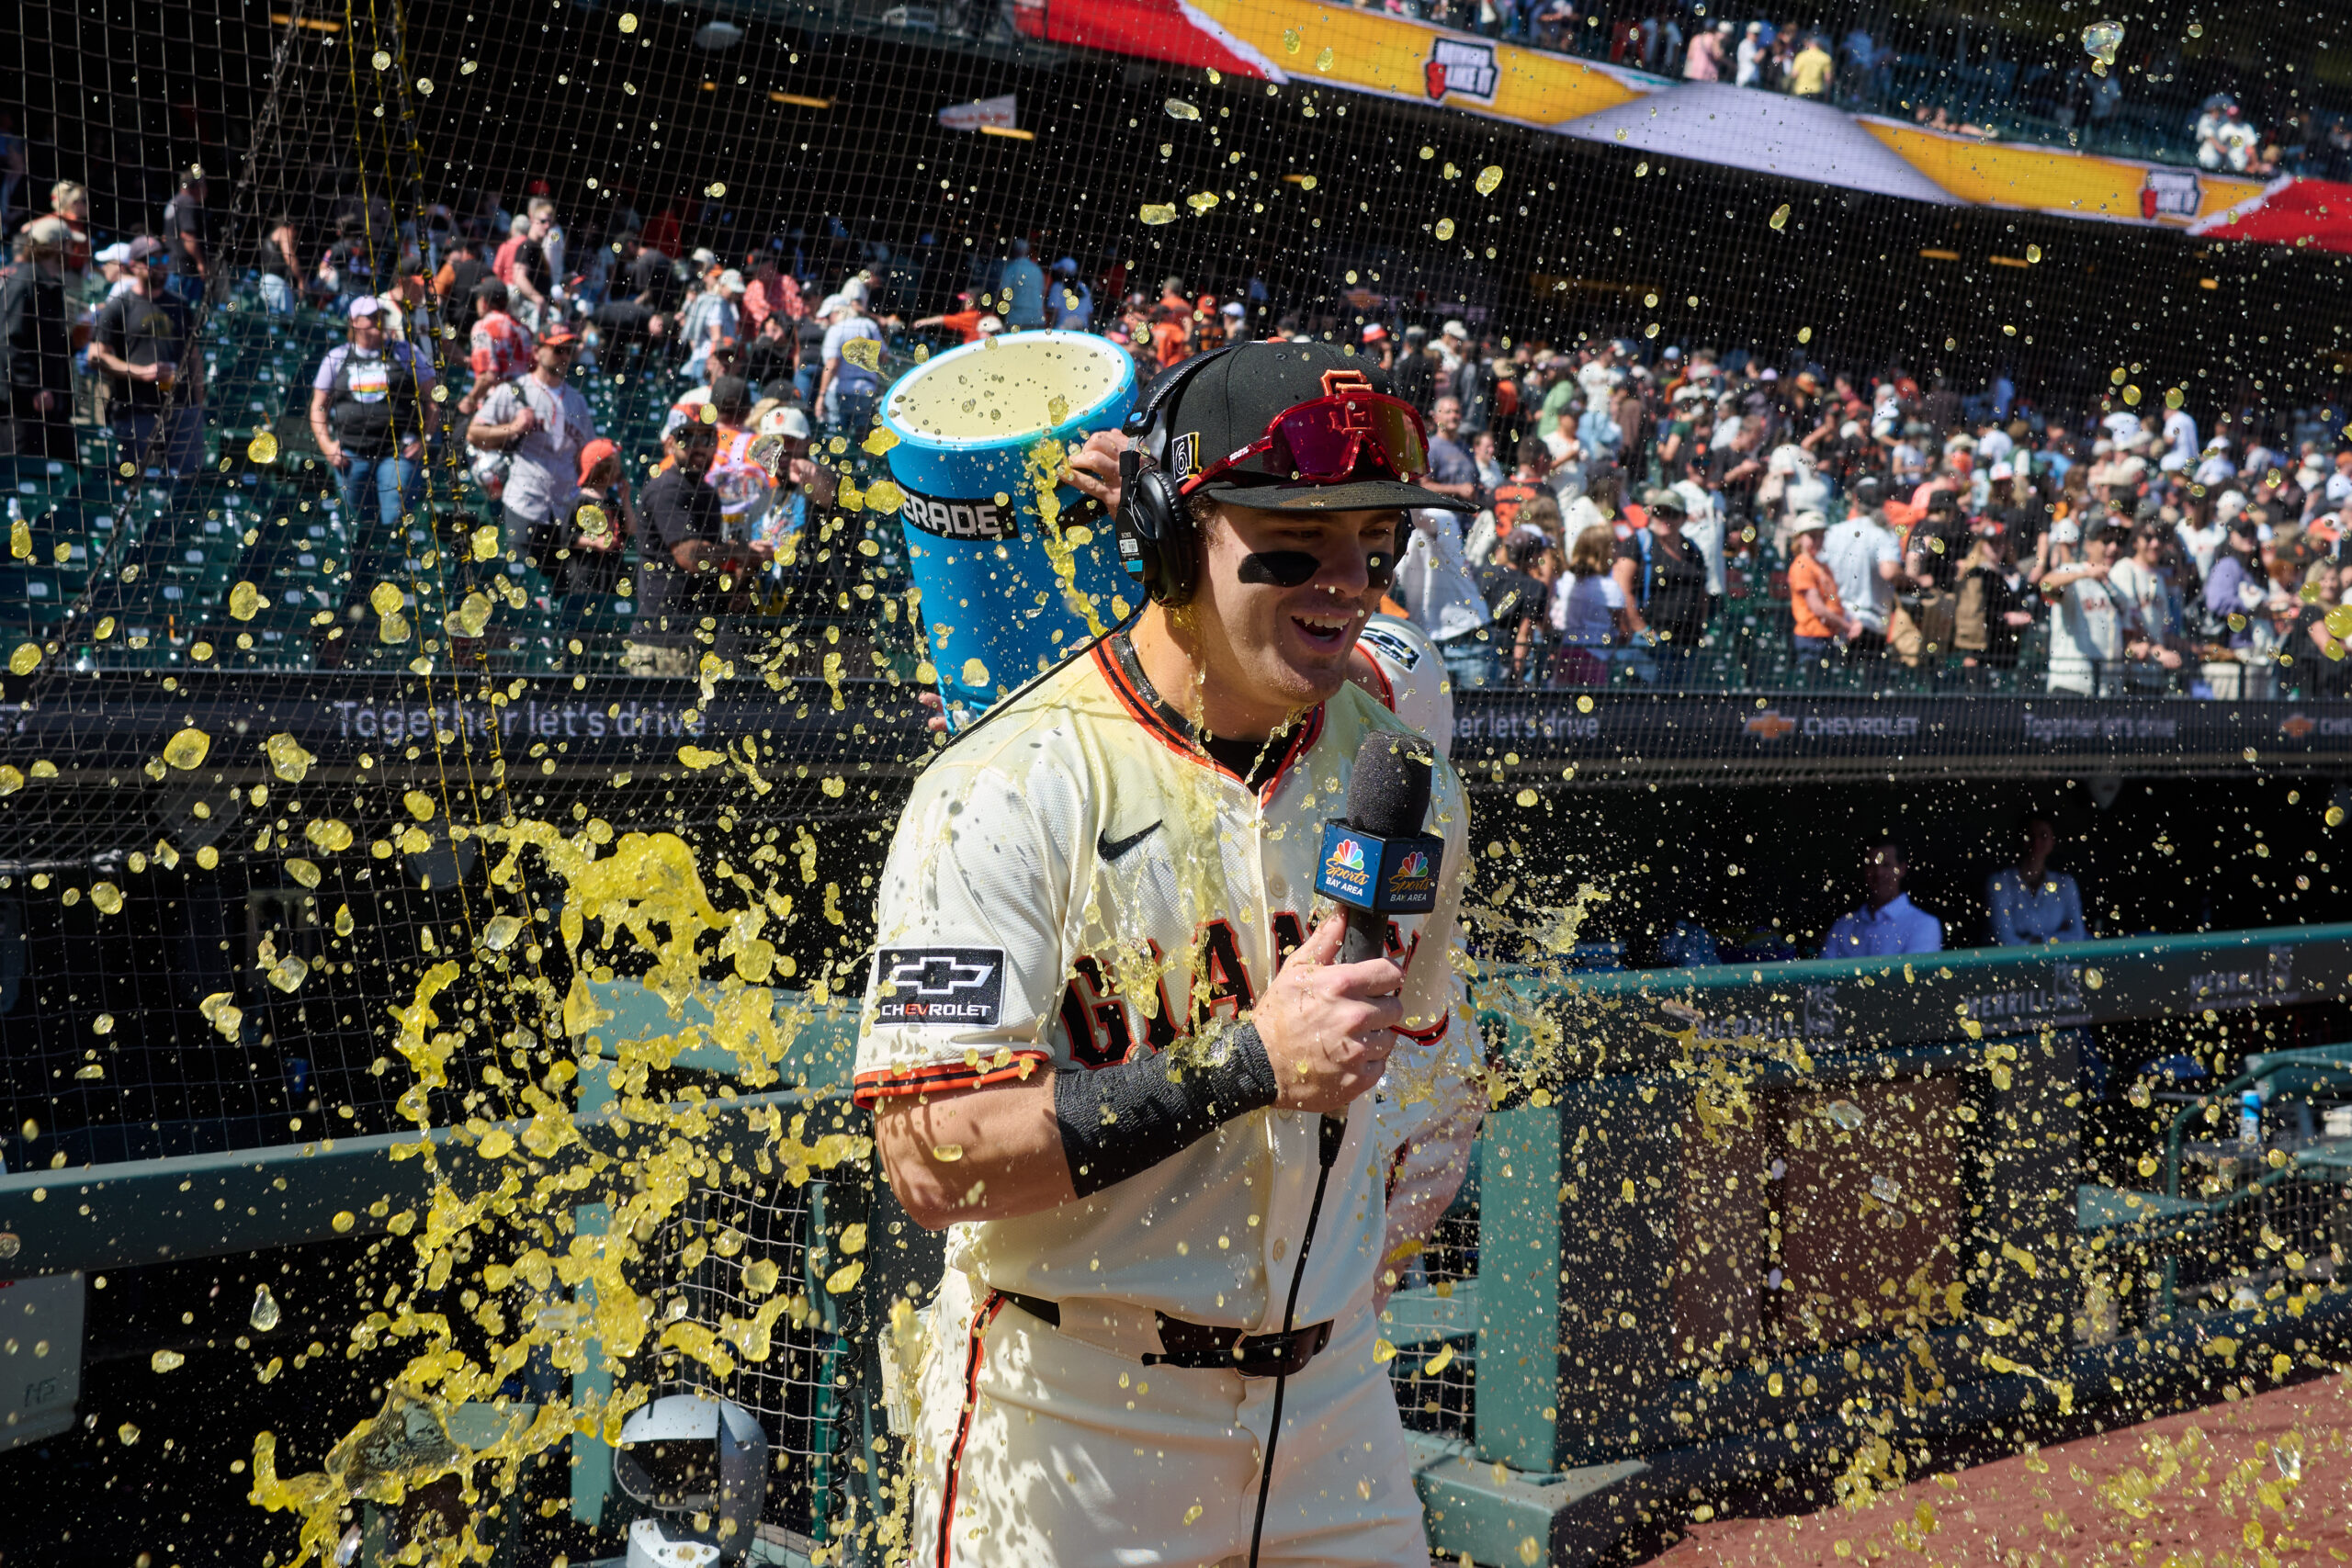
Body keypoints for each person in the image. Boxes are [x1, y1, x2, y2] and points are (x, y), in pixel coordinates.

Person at [859, 338, 1476, 1568]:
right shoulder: (1006, 785)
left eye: (1376, 547)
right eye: (1294, 545)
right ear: (1170, 534)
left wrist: (1351, 1272)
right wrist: (1248, 1060)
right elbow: (928, 1155)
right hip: (1073, 1413)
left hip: (1335, 1410)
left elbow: (1436, 1083)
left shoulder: (1407, 783)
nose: (1345, 584)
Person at [309, 296, 438, 534]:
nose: (379, 322)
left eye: (381, 316)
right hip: (351, 453)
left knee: (396, 521)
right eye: (371, 317)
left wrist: (426, 439)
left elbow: (434, 399)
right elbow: (318, 406)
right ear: (354, 322)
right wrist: (327, 446)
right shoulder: (336, 357)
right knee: (359, 524)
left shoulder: (406, 352)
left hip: (398, 451)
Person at [627, 419, 746, 675]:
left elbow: (711, 564)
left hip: (698, 636)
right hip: (661, 644)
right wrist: (739, 553)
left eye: (707, 440)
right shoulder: (666, 488)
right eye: (688, 439)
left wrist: (734, 583)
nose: (699, 447)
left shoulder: (707, 493)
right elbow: (690, 556)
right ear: (670, 444)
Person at [467, 324, 595, 557]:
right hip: (523, 503)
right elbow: (474, 433)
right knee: (522, 578)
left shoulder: (578, 402)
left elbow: (587, 454)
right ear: (536, 352)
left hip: (564, 509)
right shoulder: (513, 391)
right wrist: (513, 427)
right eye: (558, 350)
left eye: (568, 351)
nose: (565, 356)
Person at [89, 238, 203, 479]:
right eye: (152, 260)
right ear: (134, 265)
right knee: (138, 484)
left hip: (181, 410)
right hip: (136, 409)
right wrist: (141, 372)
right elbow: (96, 356)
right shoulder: (119, 306)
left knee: (187, 483)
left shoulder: (180, 305)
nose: (160, 265)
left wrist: (198, 403)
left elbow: (194, 356)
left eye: (163, 259)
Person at [1614, 491, 1711, 684]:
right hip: (1650, 643)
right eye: (1660, 511)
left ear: (1684, 518)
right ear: (1651, 513)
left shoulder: (1692, 549)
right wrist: (1642, 629)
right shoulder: (1638, 543)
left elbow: (1702, 593)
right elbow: (1621, 590)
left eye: (1673, 513)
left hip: (1687, 643)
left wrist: (1701, 627)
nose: (1666, 518)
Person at [0, 218, 76, 460]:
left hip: (49, 405)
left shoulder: (48, 284)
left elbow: (47, 345)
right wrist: (34, 388)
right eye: (70, 245)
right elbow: (9, 340)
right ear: (56, 246)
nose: (74, 251)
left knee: (63, 474)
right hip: (22, 407)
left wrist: (75, 342)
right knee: (25, 479)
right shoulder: (26, 281)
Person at [2041, 518, 2129, 695]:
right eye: (2106, 541)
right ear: (2089, 545)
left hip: (2107, 687)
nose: (2113, 547)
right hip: (2071, 683)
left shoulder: (2119, 587)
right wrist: (2086, 573)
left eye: (2118, 542)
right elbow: (2046, 584)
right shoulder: (2073, 571)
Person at [1823, 839, 1942, 956]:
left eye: (1886, 865)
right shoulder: (1842, 926)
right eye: (1870, 865)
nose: (1878, 873)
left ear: (1902, 869)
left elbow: (1916, 974)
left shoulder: (1923, 924)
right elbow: (1824, 974)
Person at [1822, 485, 1902, 659]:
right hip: (1870, 624)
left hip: (1838, 619)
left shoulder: (1834, 532)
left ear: (1856, 500)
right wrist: (1912, 581)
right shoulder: (1884, 534)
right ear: (1882, 504)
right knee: (1868, 683)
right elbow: (1890, 572)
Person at [1986, 812, 2089, 946]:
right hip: (2010, 963)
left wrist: (2035, 940)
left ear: (2053, 842)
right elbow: (2004, 940)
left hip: (2056, 961)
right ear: (2020, 840)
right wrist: (2054, 938)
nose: (2036, 842)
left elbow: (2077, 935)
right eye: (2030, 836)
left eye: (2043, 836)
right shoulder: (1999, 883)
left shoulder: (2065, 884)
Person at [1551, 521, 1623, 685]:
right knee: (1593, 707)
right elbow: (1624, 631)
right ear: (1605, 551)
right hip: (1595, 657)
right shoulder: (1610, 588)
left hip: (1566, 652)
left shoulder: (1567, 580)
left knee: (1560, 705)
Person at [1786, 512, 1852, 675]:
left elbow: (1833, 601)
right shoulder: (1802, 565)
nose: (1817, 541)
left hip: (1827, 635)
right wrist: (1846, 625)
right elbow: (1817, 607)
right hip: (1811, 637)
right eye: (1812, 536)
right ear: (1799, 538)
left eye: (1820, 536)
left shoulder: (1822, 566)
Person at [461, 278, 533, 417]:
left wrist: (470, 399)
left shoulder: (483, 326)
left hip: (497, 405)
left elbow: (488, 374)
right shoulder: (524, 329)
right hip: (525, 403)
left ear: (483, 302)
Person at [818, 293, 884, 434]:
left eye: (828, 316)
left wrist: (821, 396)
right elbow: (884, 356)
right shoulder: (869, 325)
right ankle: (864, 456)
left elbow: (832, 364)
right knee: (863, 434)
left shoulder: (836, 330)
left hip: (842, 390)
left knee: (837, 434)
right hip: (867, 389)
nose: (827, 320)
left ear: (836, 312)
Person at [160, 167, 209, 308]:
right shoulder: (188, 202)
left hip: (172, 267)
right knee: (183, 316)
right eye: (204, 184)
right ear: (196, 185)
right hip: (184, 272)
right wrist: (201, 263)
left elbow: (164, 237)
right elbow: (187, 236)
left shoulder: (173, 201)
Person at [998, 237, 1046, 331]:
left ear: (1015, 251)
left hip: (1017, 319)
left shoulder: (1011, 268)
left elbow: (1004, 294)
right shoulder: (1037, 270)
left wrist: (1001, 314)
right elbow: (1042, 294)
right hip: (1037, 319)